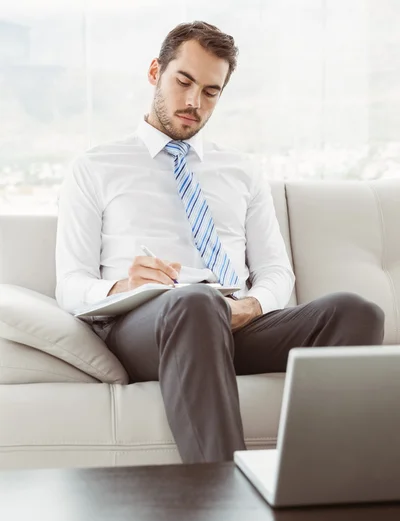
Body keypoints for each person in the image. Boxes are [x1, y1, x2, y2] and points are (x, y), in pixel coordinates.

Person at [56, 21, 385, 464]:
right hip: (148, 327)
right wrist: (123, 287)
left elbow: (275, 271)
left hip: (233, 323)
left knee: (356, 311)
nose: (194, 102)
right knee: (194, 303)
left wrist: (251, 306)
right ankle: (225, 493)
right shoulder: (95, 167)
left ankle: (314, 483)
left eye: (211, 91)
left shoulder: (241, 170)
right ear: (156, 72)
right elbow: (70, 283)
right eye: (184, 81)